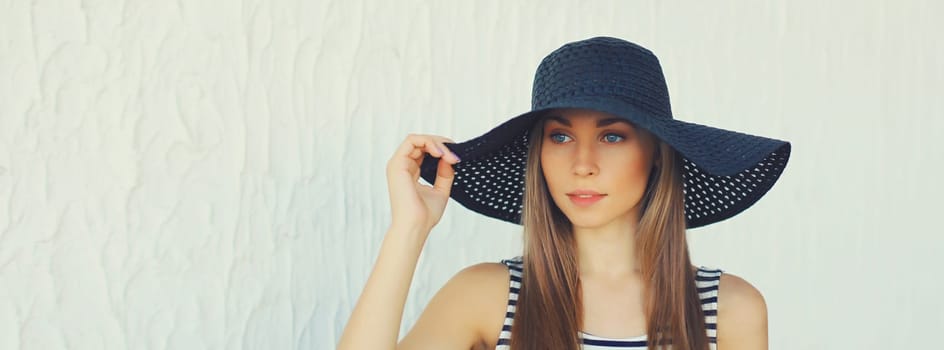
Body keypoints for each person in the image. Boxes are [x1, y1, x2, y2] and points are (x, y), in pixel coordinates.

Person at [338, 37, 791, 350]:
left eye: (612, 137)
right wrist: (408, 229)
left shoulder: (729, 310)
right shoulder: (488, 297)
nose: (583, 163)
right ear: (538, 154)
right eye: (560, 137)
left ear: (657, 154)